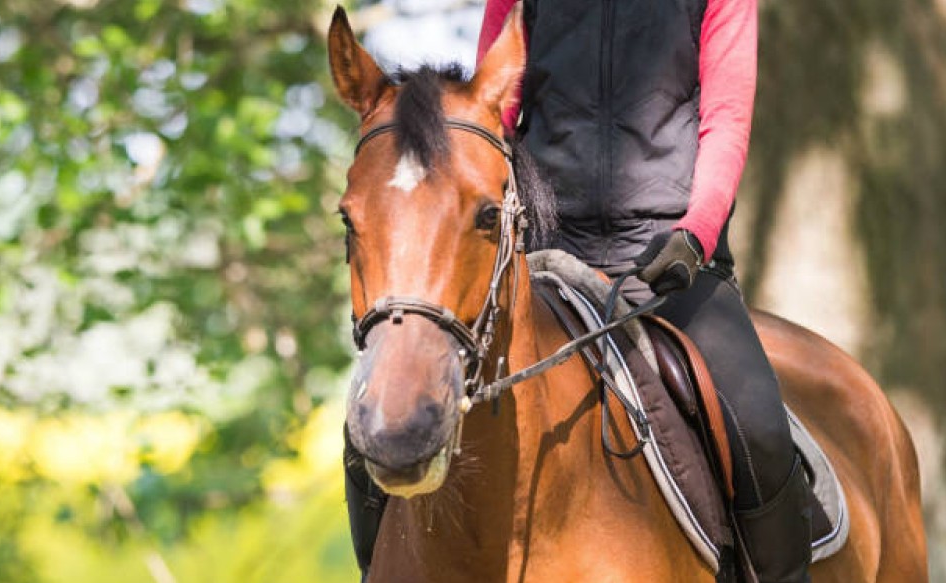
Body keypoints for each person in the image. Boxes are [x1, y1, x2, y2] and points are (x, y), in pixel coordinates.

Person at [345, 0, 814, 581]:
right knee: (376, 422)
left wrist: (695, 232)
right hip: (547, 248)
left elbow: (727, 117)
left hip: (669, 257)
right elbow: (497, 106)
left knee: (761, 429)